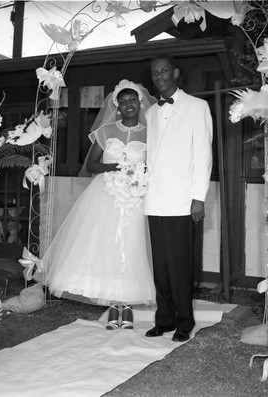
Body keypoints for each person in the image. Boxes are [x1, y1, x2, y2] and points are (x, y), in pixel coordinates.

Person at [42, 79, 156, 330]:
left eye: (132, 100)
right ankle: (113, 305)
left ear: (140, 103)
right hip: (105, 194)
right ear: (116, 106)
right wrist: (113, 167)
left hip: (135, 197)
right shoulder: (105, 132)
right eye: (123, 101)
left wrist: (139, 174)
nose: (128, 104)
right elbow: (90, 165)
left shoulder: (151, 133)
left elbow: (156, 165)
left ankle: (126, 305)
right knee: (106, 247)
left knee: (131, 245)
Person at [144, 54, 213, 342]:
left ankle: (184, 322)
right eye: (154, 72)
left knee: (180, 265)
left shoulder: (198, 107)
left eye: (163, 71)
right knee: (160, 265)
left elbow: (203, 154)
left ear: (175, 73)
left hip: (182, 200)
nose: (159, 75)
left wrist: (198, 197)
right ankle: (165, 319)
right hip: (154, 199)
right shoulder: (150, 113)